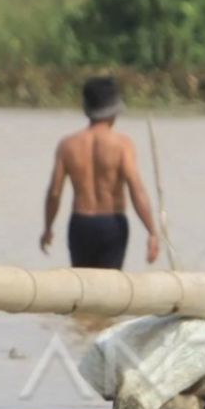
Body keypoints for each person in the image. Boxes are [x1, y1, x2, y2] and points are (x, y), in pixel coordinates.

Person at [40, 77, 160, 268]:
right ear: (115, 110)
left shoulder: (67, 145)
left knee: (82, 287)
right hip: (112, 223)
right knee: (111, 287)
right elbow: (136, 188)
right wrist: (152, 231)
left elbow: (54, 192)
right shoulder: (122, 145)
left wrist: (48, 228)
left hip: (81, 223)